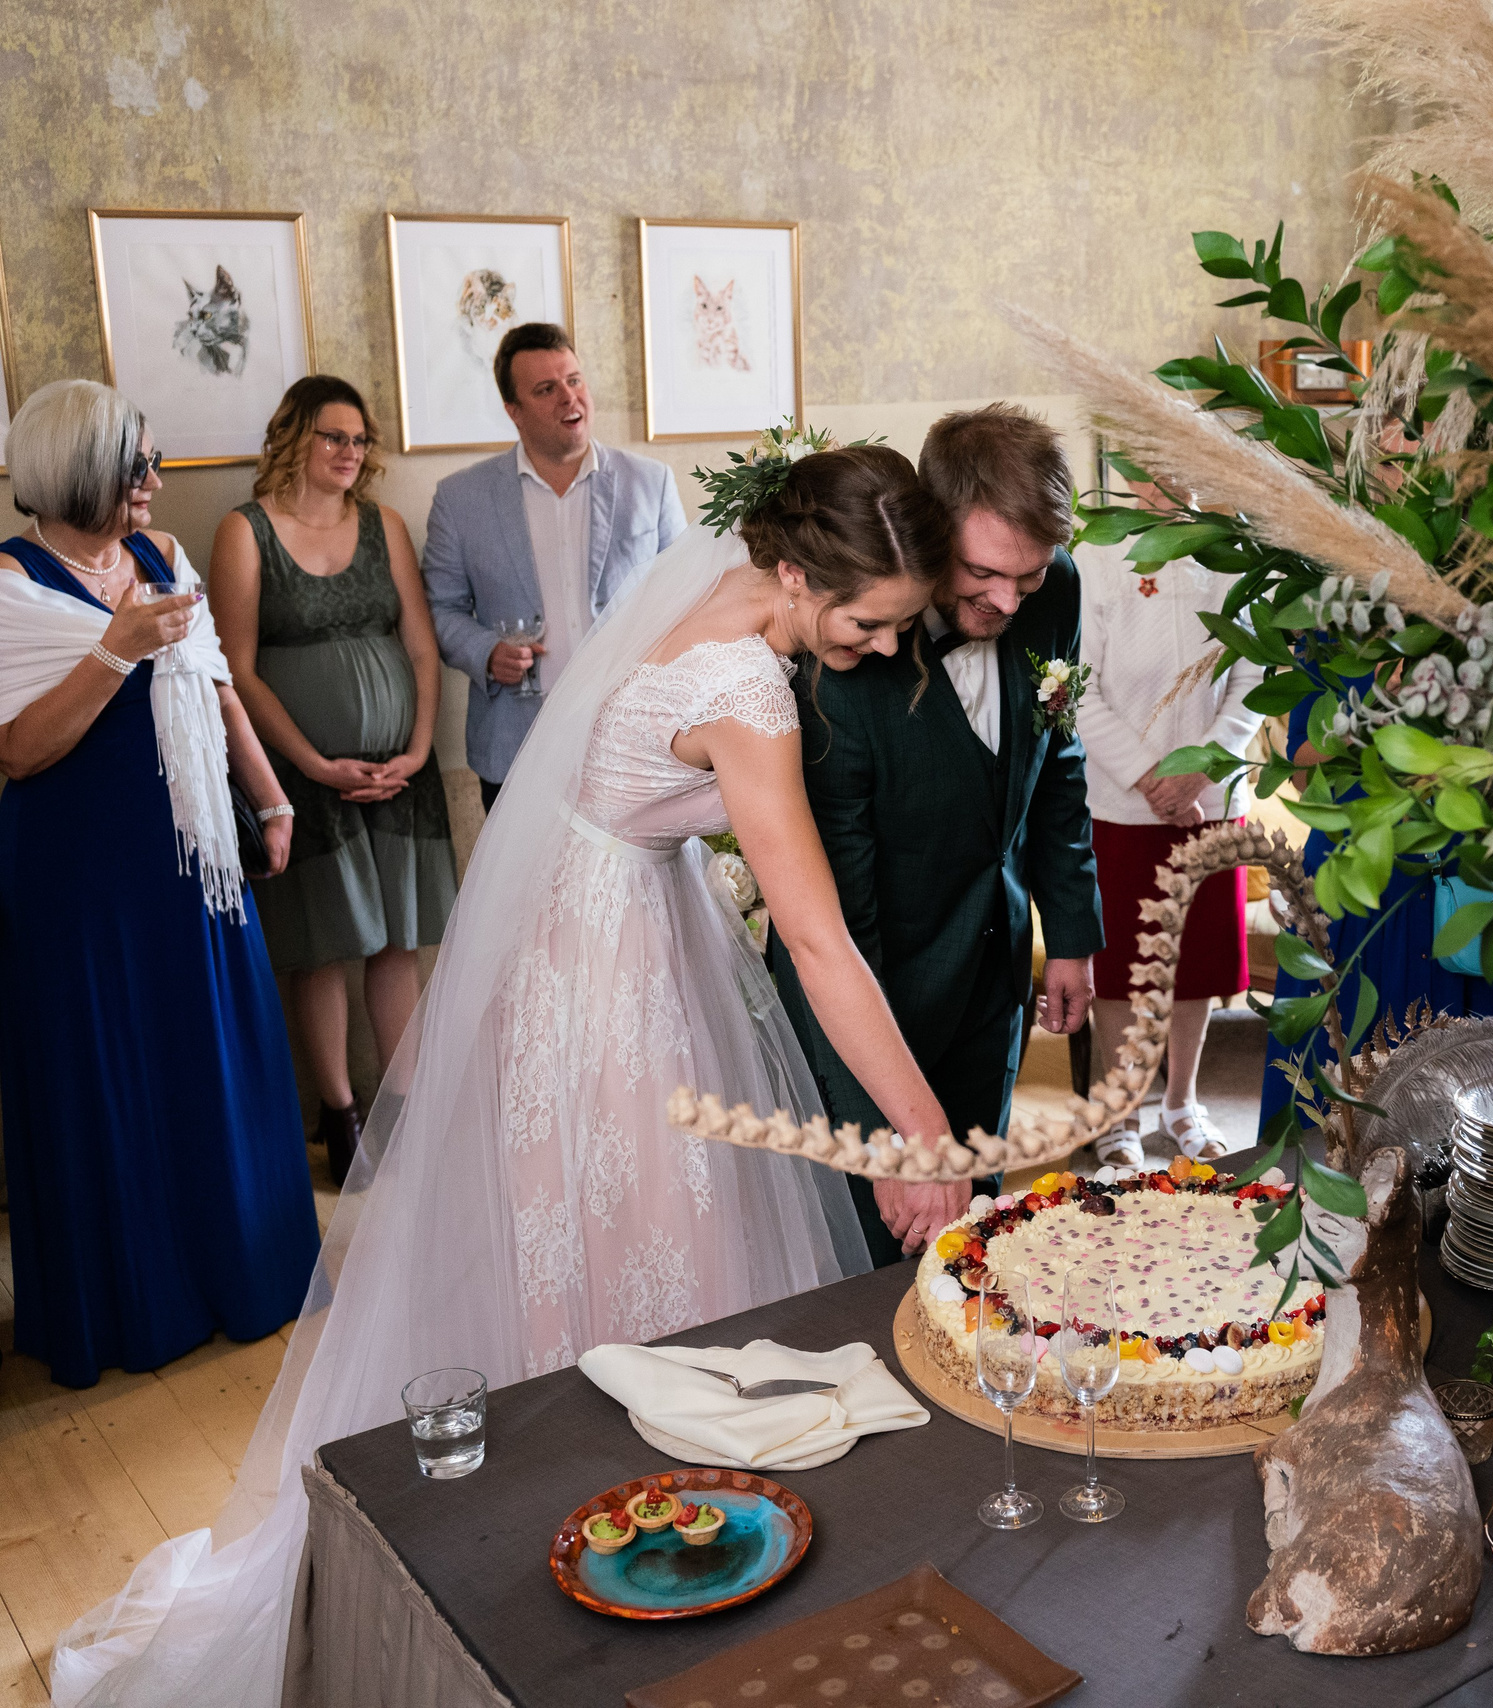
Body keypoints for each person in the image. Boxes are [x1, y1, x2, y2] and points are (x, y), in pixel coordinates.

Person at [49, 442, 961, 1706]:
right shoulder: (746, 688)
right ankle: (653, 1597)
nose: (872, 648)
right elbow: (815, 939)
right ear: (797, 572)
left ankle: (586, 1571)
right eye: (867, 624)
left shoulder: (694, 602)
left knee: (576, 1274)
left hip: (577, 951)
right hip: (620, 991)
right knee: (659, 1273)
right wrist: (922, 1132)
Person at [0, 379, 315, 1391]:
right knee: (112, 1073)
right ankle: (143, 1302)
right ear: (78, 472)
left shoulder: (163, 556)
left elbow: (215, 684)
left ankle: (247, 1274)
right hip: (78, 880)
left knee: (210, 1056)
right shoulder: (8, 586)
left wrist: (268, 800)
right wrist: (111, 651)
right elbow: (15, 752)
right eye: (138, 464)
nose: (154, 480)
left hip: (190, 858)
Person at [769, 403, 1104, 1266]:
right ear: (930, 525)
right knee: (867, 1269)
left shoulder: (1053, 587)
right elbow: (832, 929)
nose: (1006, 599)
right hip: (874, 1002)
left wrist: (1069, 931)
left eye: (1027, 579)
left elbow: (1056, 759)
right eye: (984, 572)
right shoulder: (847, 660)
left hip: (992, 983)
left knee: (974, 1245)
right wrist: (883, 1136)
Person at [207, 376, 457, 1183]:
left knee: (395, 943)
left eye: (360, 439)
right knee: (321, 949)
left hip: (399, 772)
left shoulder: (384, 526)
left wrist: (418, 749)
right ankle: (340, 1114)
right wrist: (311, 763)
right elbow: (234, 669)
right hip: (300, 776)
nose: (351, 452)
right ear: (293, 438)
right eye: (333, 437)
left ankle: (409, 1109)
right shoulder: (245, 533)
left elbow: (420, 647)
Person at [1257, 684, 1493, 1133]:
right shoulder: (1329, 629)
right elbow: (1303, 774)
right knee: (1340, 1134)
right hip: (1361, 886)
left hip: (1491, 881)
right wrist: (1378, 700)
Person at [422, 321, 686, 809]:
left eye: (574, 380)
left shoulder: (651, 483)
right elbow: (438, 609)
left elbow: (685, 600)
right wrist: (485, 651)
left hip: (632, 737)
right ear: (513, 411)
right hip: (515, 746)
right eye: (546, 389)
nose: (569, 398)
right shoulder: (460, 499)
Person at [1075, 505, 1265, 1167]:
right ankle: (1121, 1113)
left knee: (1196, 963)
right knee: (1122, 965)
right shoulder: (1098, 553)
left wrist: (1200, 770)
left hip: (1210, 796)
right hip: (1121, 797)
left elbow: (1253, 675)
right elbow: (1078, 687)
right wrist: (1148, 775)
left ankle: (1182, 1104)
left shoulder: (1238, 550)